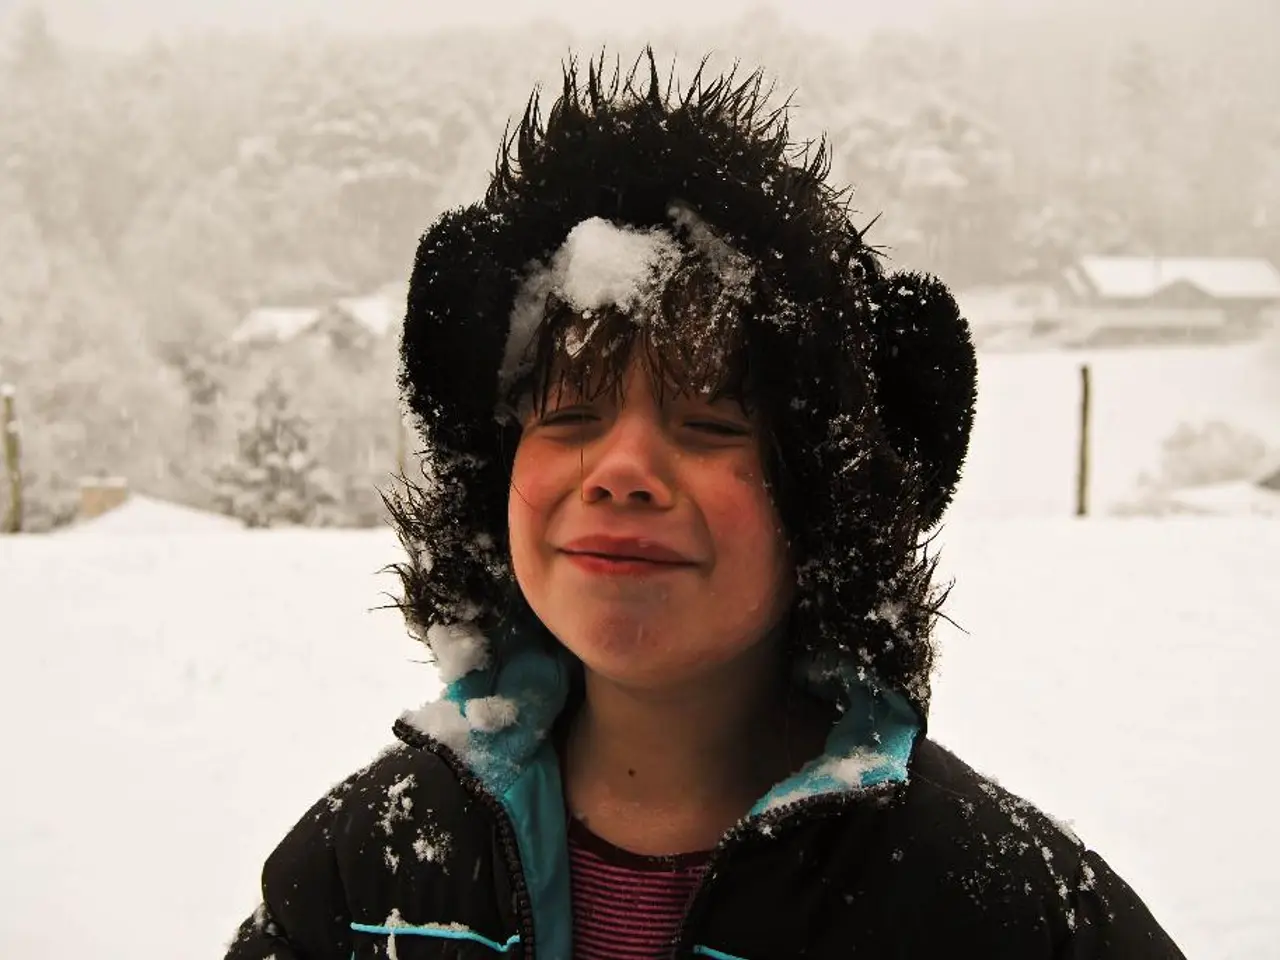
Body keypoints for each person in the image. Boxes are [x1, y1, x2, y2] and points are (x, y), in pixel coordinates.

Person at [225, 53, 1185, 959]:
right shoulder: (365, 878)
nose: (623, 468)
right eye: (571, 414)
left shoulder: (987, 910)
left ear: (819, 504)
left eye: (709, 423)